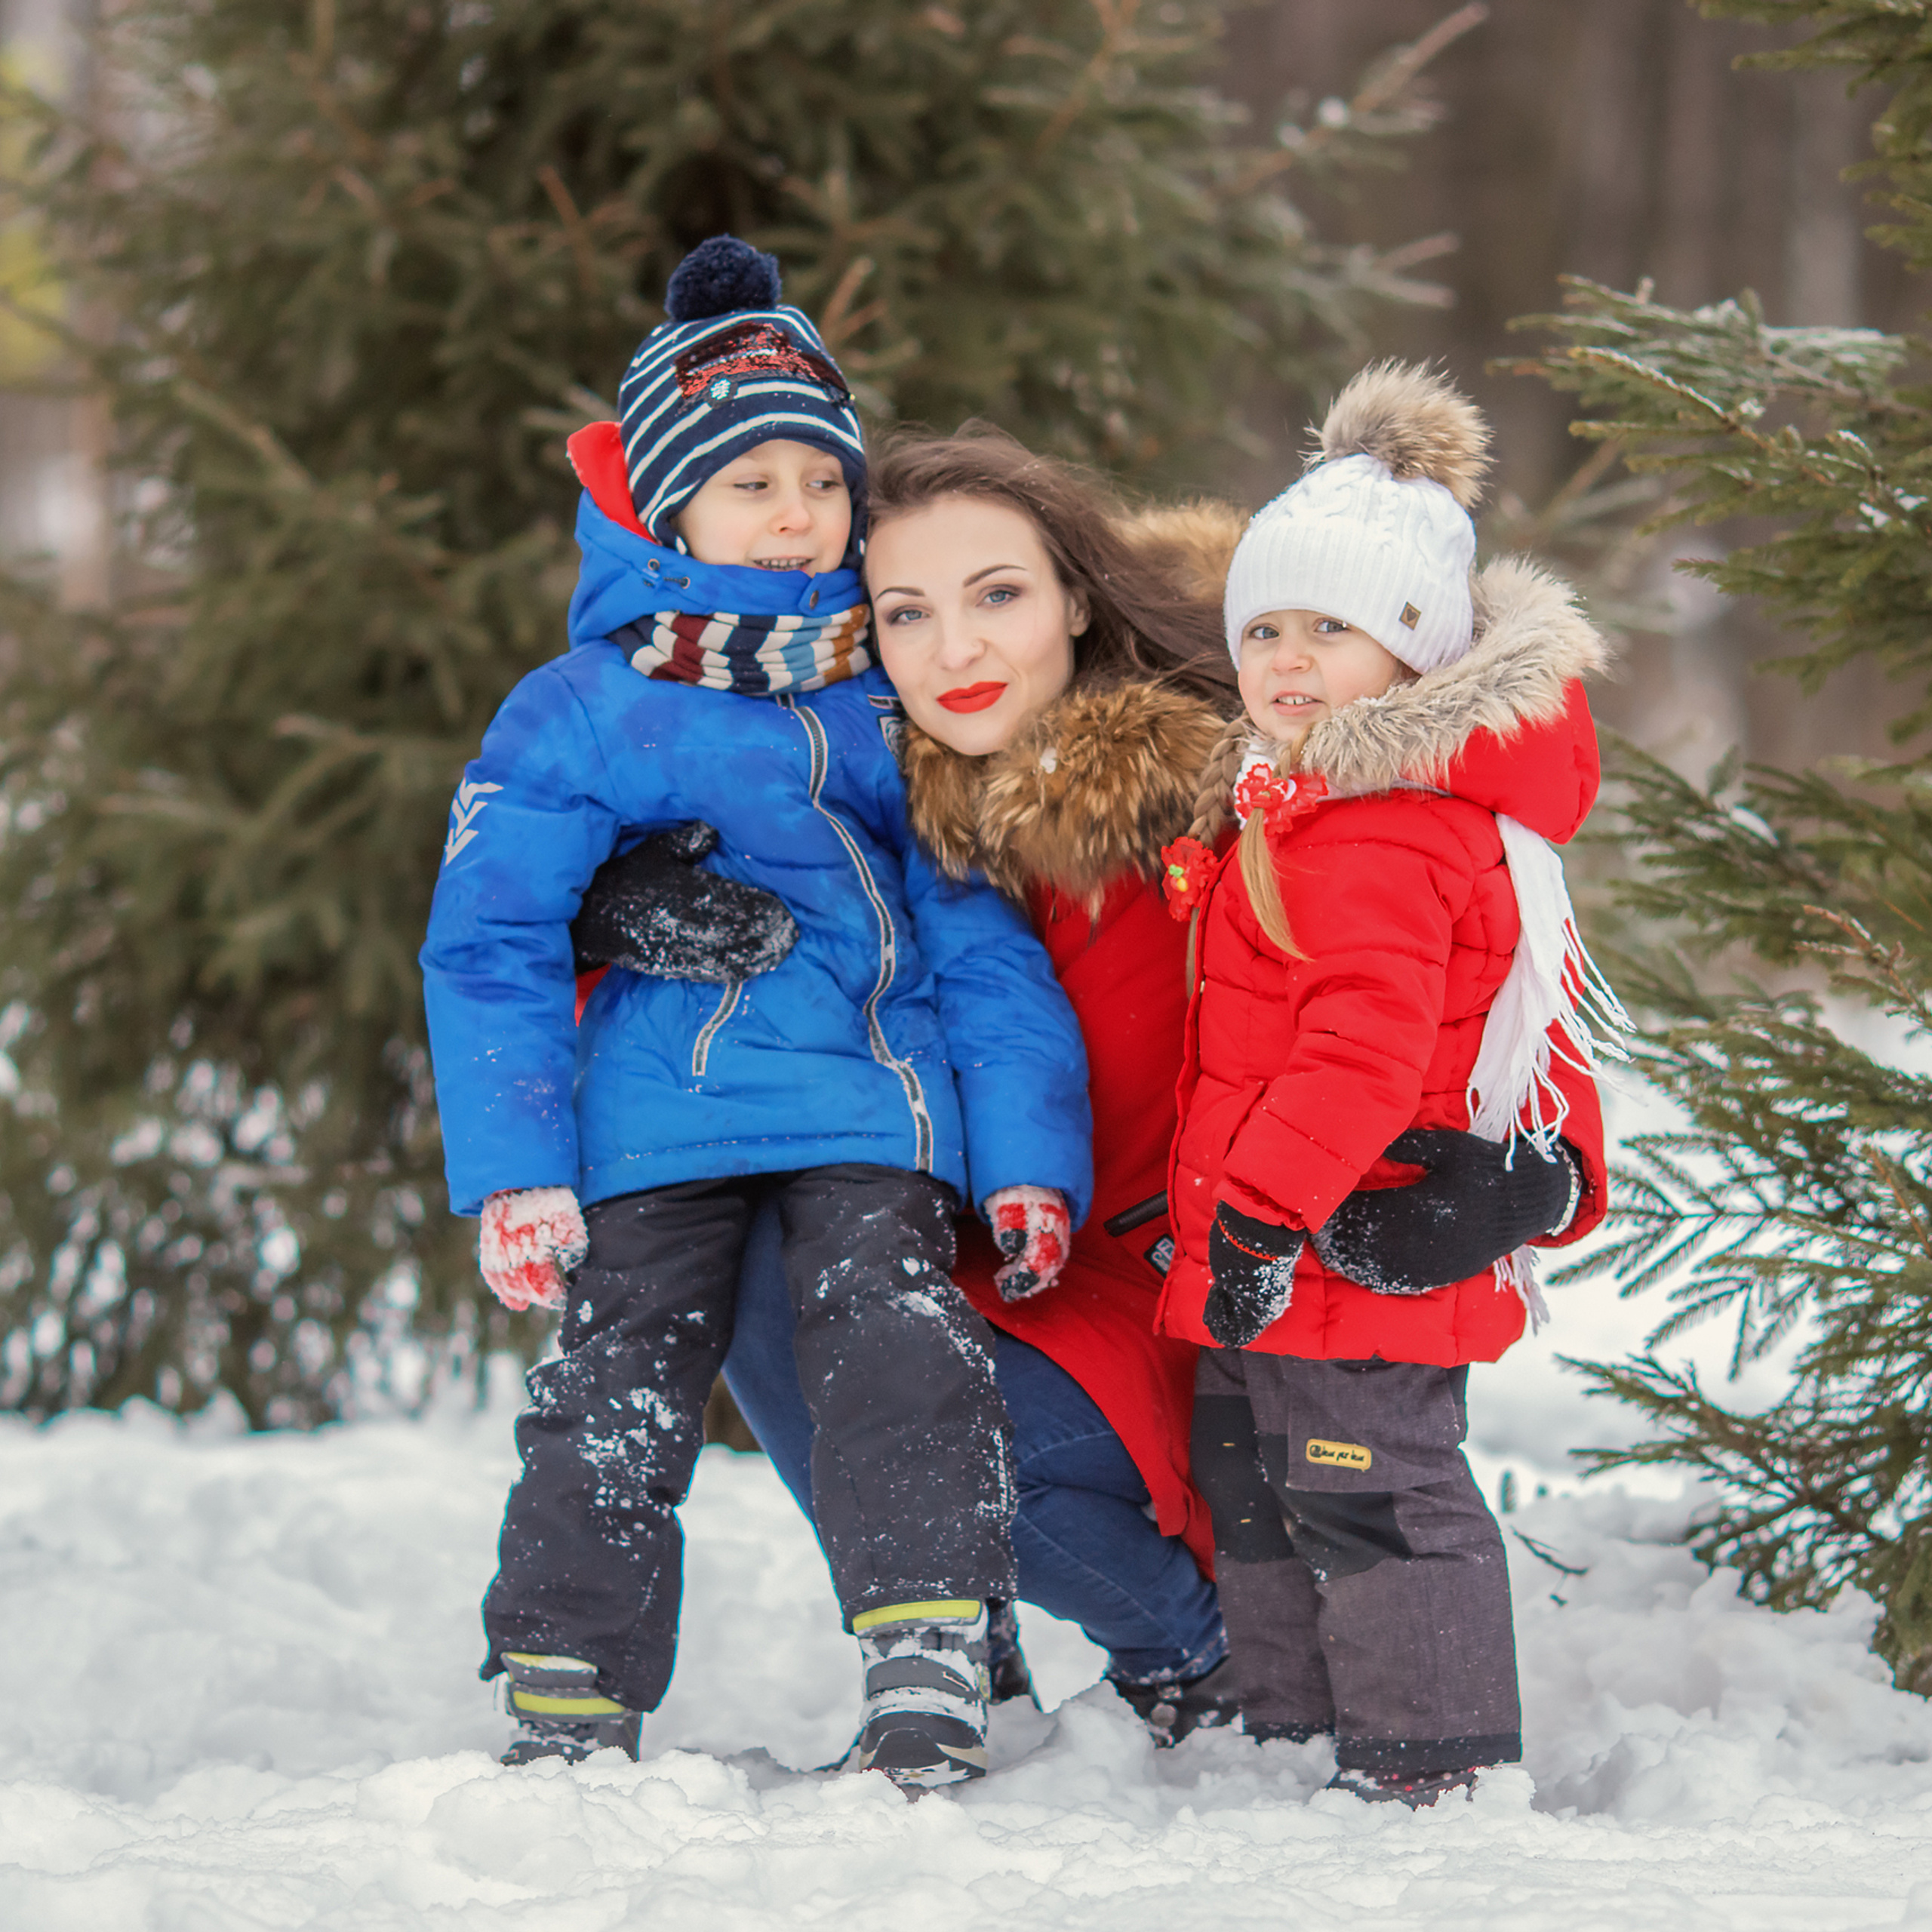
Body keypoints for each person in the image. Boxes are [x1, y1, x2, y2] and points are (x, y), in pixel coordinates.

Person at [576, 420, 1605, 1743]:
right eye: (906, 611)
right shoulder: (861, 810)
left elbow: (1479, 937)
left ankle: (1193, 1643)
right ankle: (945, 1622)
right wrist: (598, 924)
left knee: (901, 1399)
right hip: (1011, 1274)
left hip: (1224, 1302)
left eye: (997, 595)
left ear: (1076, 592)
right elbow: (735, 1057)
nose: (958, 650)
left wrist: (1546, 1175)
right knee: (785, 1273)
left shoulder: (1242, 762)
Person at [420, 238, 1094, 1792]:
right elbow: (491, 930)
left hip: (872, 1101)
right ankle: (566, 1671)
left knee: (898, 1339)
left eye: (818, 478)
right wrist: (515, 1162)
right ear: (669, 510)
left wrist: (1024, 1154)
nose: (795, 515)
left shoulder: (890, 687)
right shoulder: (580, 704)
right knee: (615, 1377)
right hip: (654, 1115)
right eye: (749, 484)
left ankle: (931, 1643)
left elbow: (978, 932)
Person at [1155, 361, 1618, 1807]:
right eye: (1266, 630)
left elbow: (1359, 1049)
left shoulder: (1383, 832)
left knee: (1374, 1495)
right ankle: (1297, 1731)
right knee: (1271, 1492)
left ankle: (1432, 1760)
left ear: (1418, 656)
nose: (1289, 660)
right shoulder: (1296, 810)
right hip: (1290, 1250)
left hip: (1355, 1238)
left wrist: (1260, 1217)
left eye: (1334, 632)